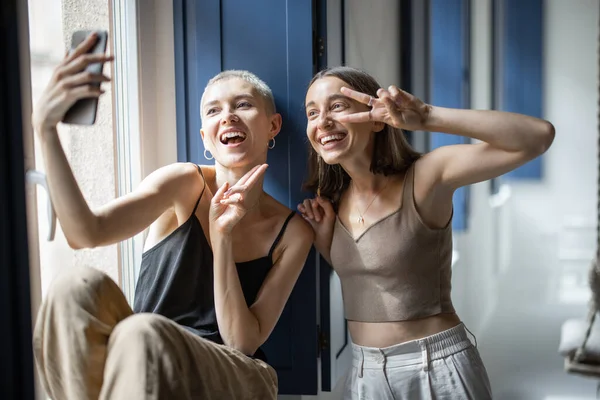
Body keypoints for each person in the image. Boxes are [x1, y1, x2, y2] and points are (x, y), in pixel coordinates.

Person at [31, 32, 314, 400]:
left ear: (272, 125)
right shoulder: (184, 182)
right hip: (144, 354)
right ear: (206, 137)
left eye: (242, 104)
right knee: (75, 289)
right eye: (214, 110)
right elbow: (86, 232)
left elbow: (242, 342)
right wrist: (45, 130)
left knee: (141, 332)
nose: (227, 115)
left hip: (235, 371)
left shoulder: (293, 232)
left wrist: (222, 237)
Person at [298, 66, 555, 399]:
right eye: (313, 113)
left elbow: (539, 136)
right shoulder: (332, 203)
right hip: (365, 374)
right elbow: (376, 278)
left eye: (337, 106)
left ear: (376, 120)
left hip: (436, 369)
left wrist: (428, 116)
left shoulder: (426, 177)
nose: (323, 122)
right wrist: (326, 244)